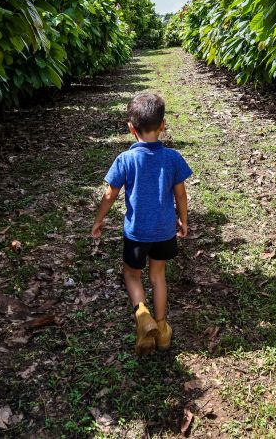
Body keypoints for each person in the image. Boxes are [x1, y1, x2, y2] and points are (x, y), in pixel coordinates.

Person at [91, 92, 192, 356]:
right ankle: (161, 328)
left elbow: (110, 194)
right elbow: (180, 194)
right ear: (163, 125)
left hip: (136, 232)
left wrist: (99, 220)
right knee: (158, 276)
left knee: (132, 274)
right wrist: (183, 219)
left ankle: (142, 315)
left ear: (130, 128)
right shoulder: (173, 158)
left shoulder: (125, 160)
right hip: (164, 231)